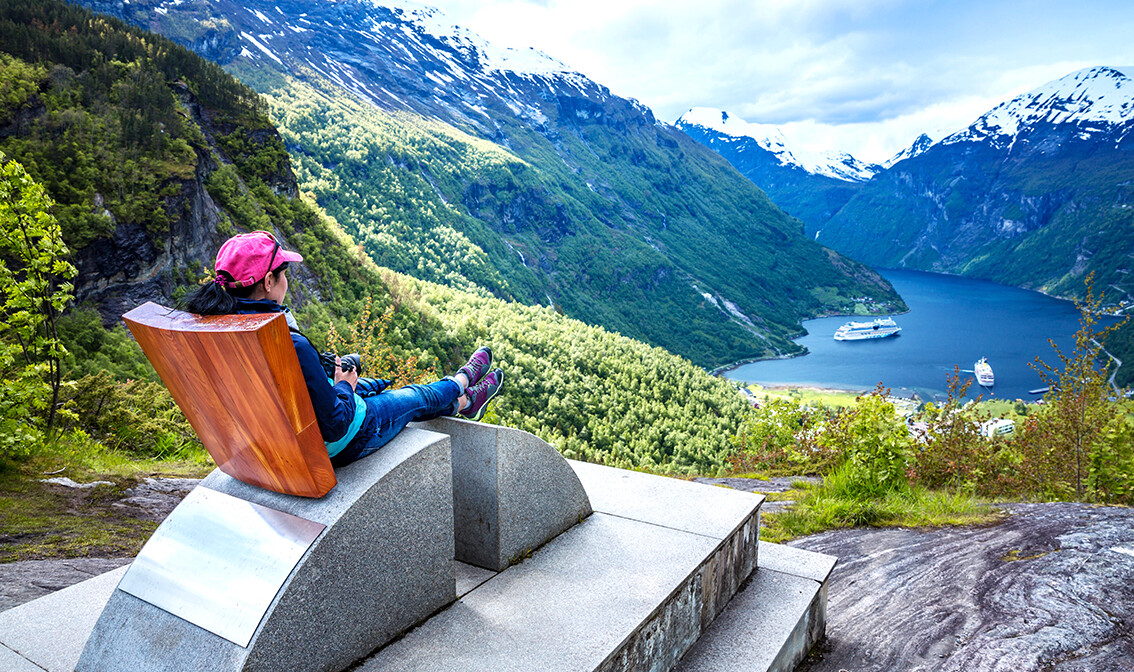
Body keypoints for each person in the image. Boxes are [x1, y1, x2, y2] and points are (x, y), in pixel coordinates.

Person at [181, 230, 503, 467]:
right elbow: (336, 425)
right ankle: (461, 389)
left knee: (374, 386)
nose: (286, 281)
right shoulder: (284, 342)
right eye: (283, 274)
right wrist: (343, 386)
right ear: (267, 282)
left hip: (273, 446)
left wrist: (334, 381)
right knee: (414, 398)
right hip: (341, 440)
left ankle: (462, 399)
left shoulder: (216, 331)